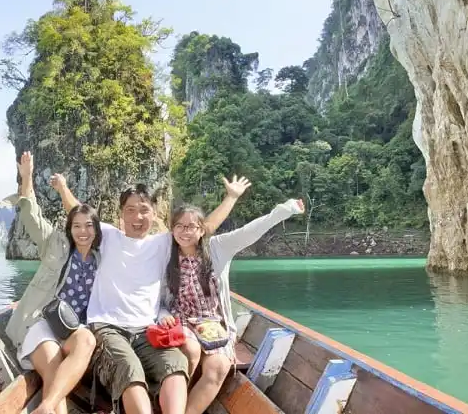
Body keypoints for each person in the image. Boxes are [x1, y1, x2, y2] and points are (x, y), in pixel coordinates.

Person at [51, 174, 252, 414]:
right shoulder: (107, 237)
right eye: (131, 210)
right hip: (107, 326)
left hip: (148, 330)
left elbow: (203, 228)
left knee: (176, 365)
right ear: (121, 214)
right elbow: (77, 211)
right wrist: (63, 188)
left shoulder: (164, 243)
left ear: (154, 213)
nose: (138, 217)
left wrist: (231, 197)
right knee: (129, 369)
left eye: (144, 210)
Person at [158, 199, 305, 414]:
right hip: (180, 319)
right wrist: (162, 313)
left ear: (202, 230)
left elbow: (250, 231)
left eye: (191, 226)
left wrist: (285, 210)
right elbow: (158, 299)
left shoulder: (218, 247)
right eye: (179, 226)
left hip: (214, 324)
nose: (184, 231)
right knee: (189, 351)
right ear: (172, 229)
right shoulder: (165, 256)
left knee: (218, 366)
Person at [4, 152, 102, 414]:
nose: (83, 232)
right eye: (77, 226)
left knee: (87, 341)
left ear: (96, 229)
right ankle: (49, 408)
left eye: (88, 226)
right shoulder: (55, 244)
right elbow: (31, 216)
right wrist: (26, 178)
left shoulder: (101, 258)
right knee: (54, 367)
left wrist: (64, 189)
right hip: (41, 323)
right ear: (69, 229)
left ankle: (44, 408)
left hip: (73, 327)